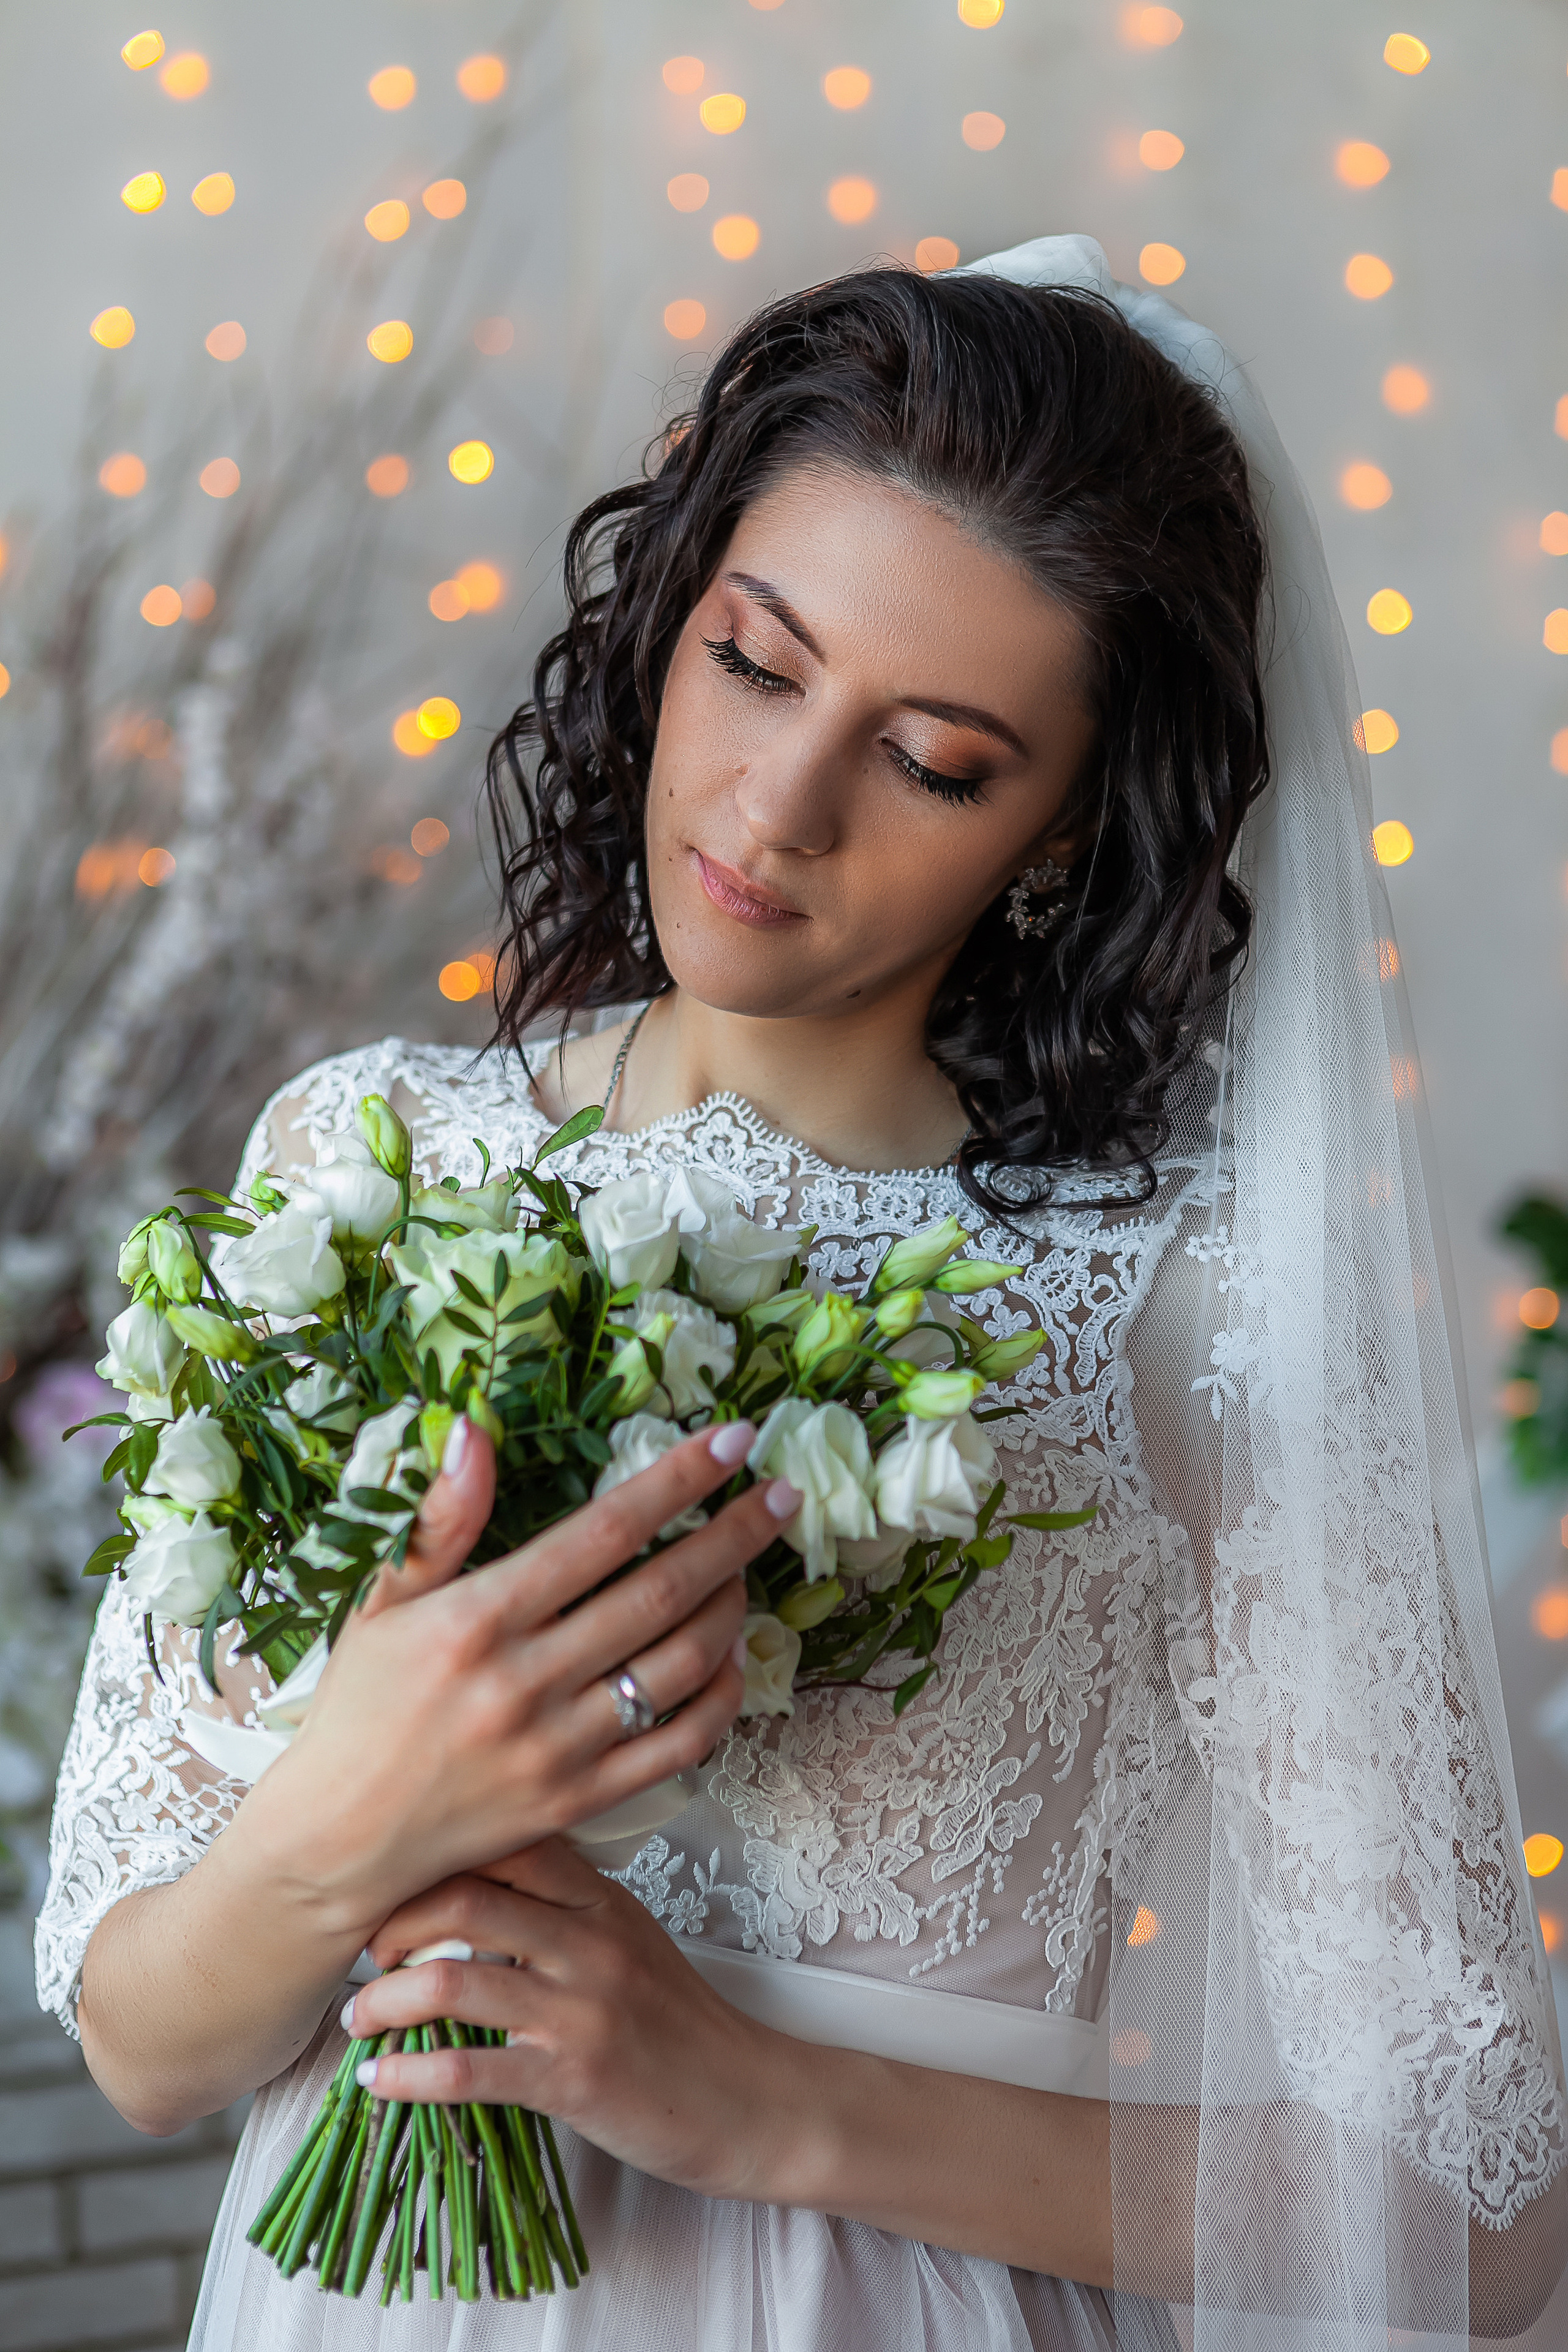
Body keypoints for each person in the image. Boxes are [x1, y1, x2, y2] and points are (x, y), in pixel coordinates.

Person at [35, 235, 1568, 2350]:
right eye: (757, 663)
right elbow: (140, 2044)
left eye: (933, 761)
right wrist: (364, 1806)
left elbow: (1483, 2208)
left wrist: (759, 2102)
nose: (778, 804)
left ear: (1057, 835)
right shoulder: (359, 1169)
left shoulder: (1181, 1310)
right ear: (671, 621)